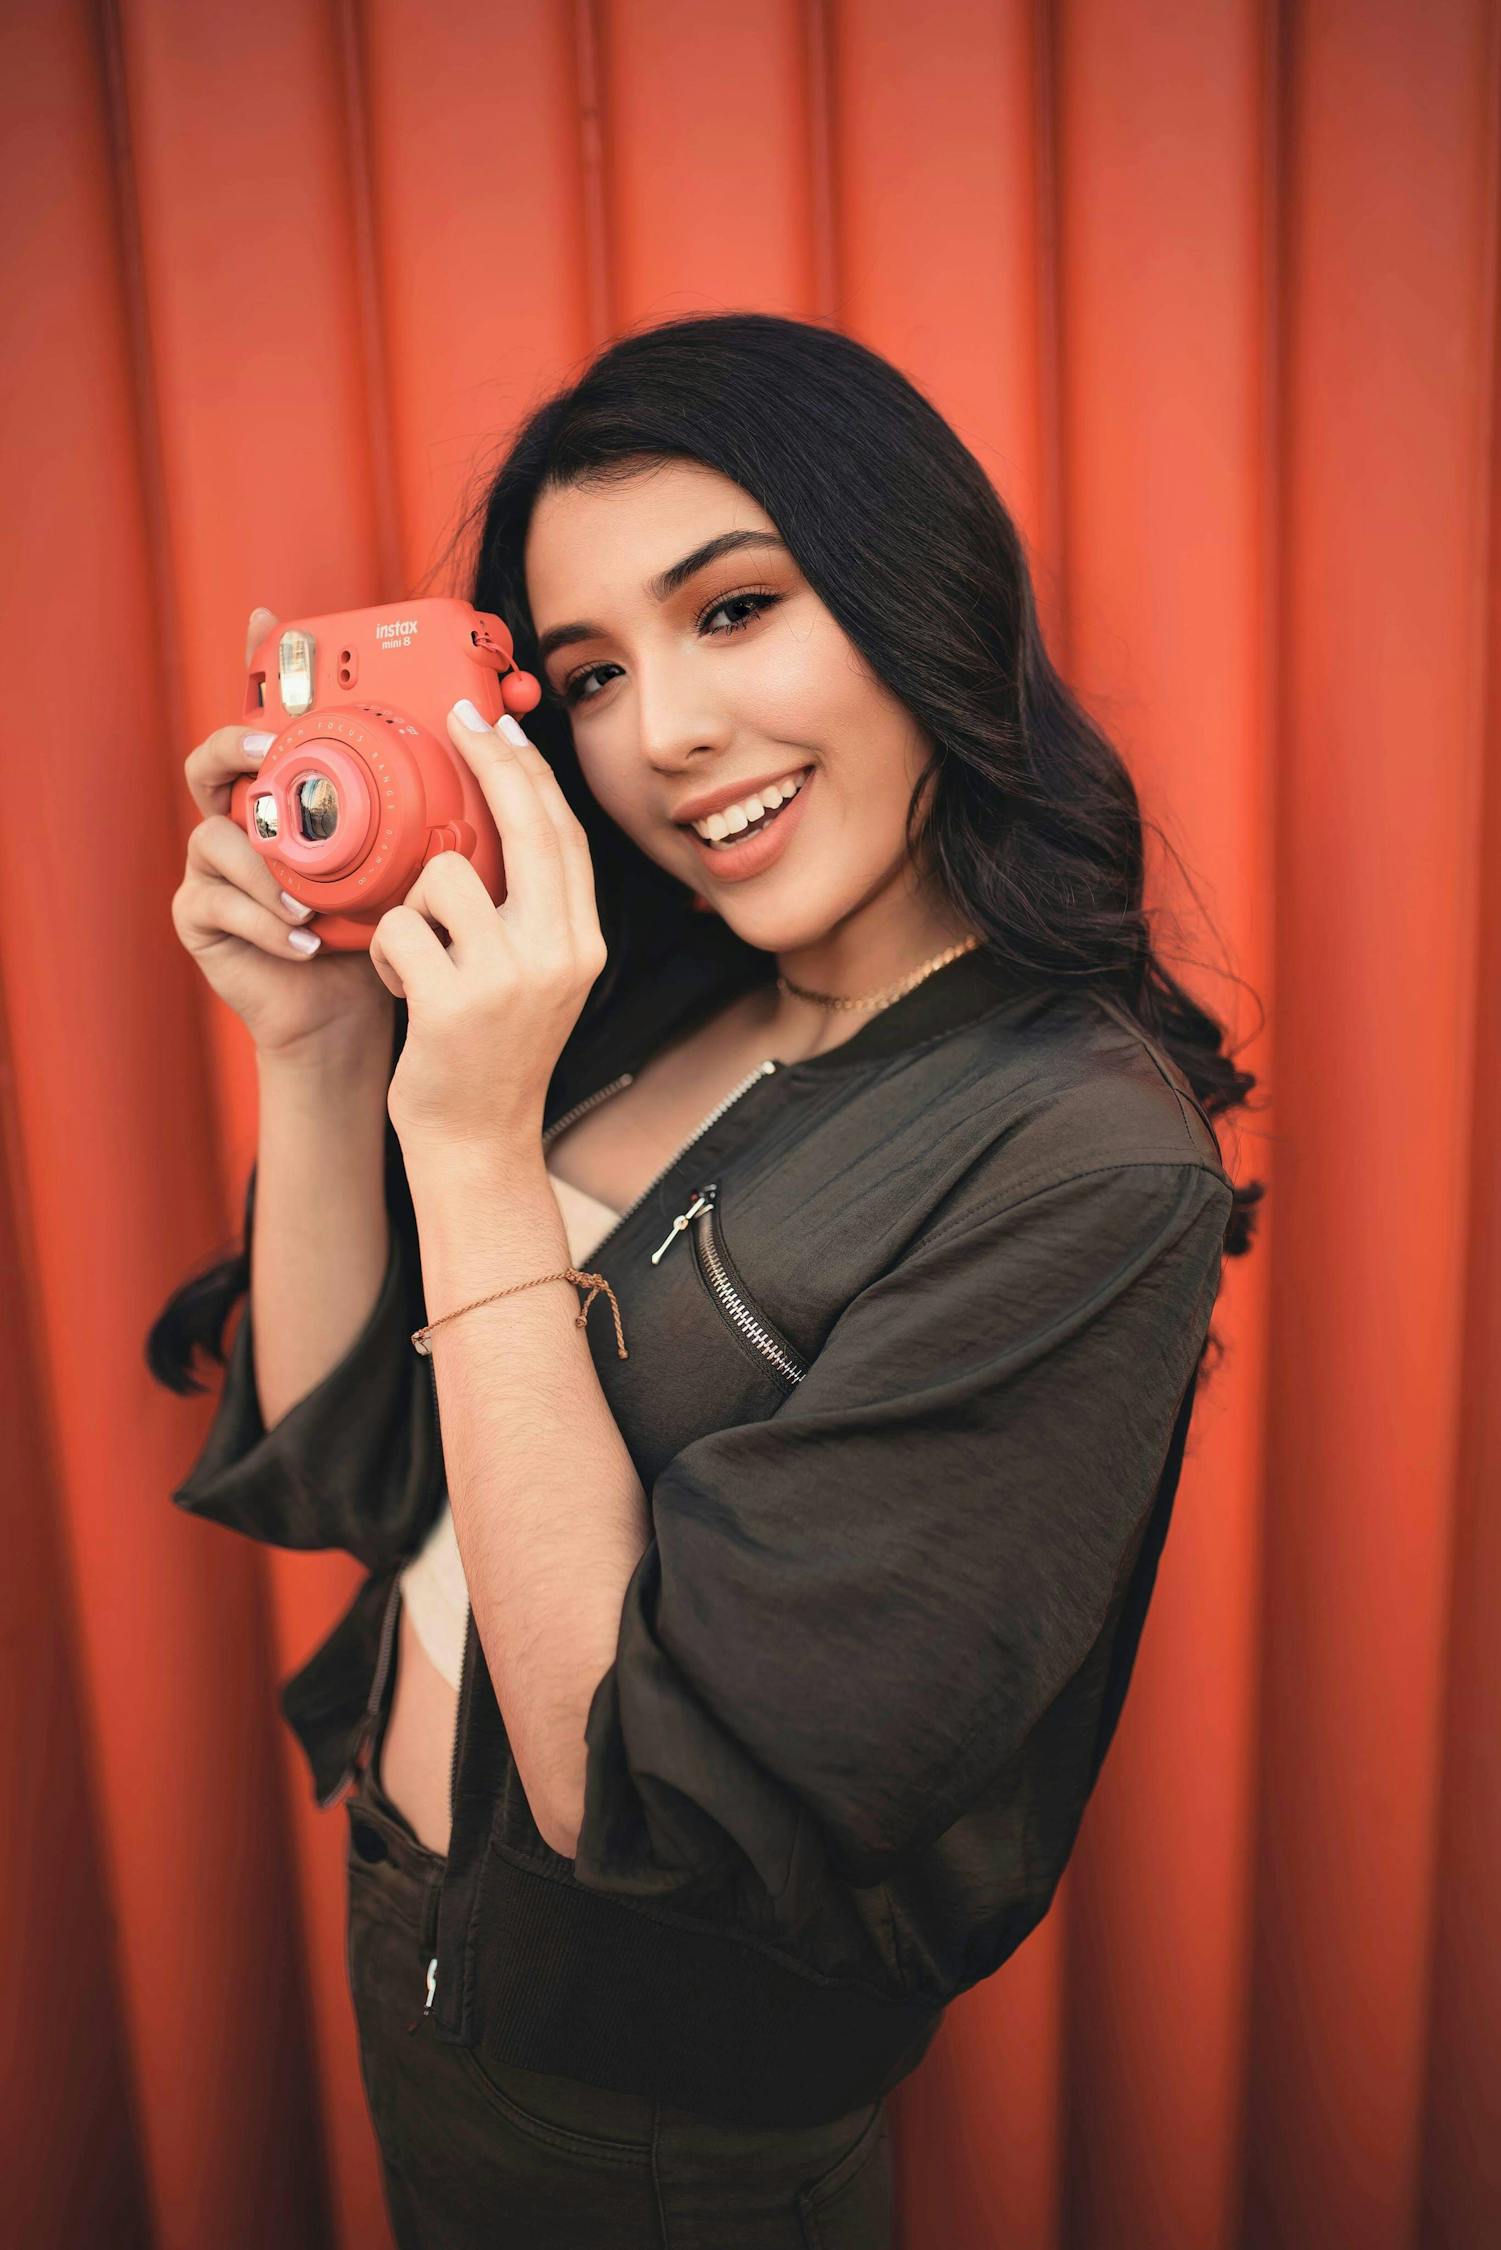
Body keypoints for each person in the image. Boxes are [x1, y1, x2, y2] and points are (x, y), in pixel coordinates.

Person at [149, 311, 1265, 2249]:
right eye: (590, 673)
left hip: (649, 2125)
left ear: (921, 598)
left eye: (735, 610)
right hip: (422, 1944)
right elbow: (351, 1478)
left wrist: (474, 1155)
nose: (659, 734)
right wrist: (322, 1052)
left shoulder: (1075, 1162)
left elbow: (634, 1793)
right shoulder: (637, 998)